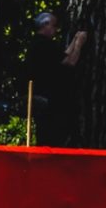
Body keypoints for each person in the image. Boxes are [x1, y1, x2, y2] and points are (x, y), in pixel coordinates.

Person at [25, 11, 88, 147]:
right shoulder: (45, 45)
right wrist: (79, 44)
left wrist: (74, 40)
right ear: (45, 25)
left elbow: (63, 56)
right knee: (53, 136)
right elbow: (70, 61)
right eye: (54, 26)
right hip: (50, 100)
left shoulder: (37, 44)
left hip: (41, 97)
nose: (56, 30)